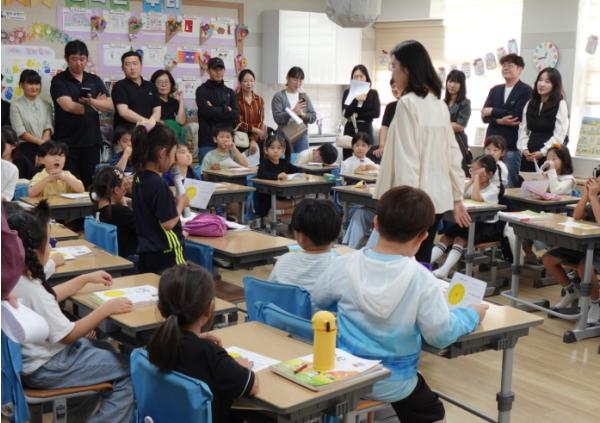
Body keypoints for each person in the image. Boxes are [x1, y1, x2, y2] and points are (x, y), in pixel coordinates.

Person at [313, 186, 488, 423]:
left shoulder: (344, 264)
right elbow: (441, 335)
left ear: (375, 223)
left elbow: (318, 299)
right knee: (432, 412)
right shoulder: (421, 278)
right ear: (423, 236)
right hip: (394, 381)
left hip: (343, 372)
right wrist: (471, 315)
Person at [8, 202, 134, 423]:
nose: (51, 249)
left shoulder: (14, 280)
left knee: (104, 348)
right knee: (131, 371)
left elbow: (48, 298)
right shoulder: (31, 288)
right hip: (49, 366)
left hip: (36, 363)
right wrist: (106, 309)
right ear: (35, 251)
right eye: (49, 243)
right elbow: (68, 335)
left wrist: (83, 279)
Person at [373, 40, 470, 263]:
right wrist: (456, 197)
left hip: (413, 202)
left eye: (394, 66)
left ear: (407, 69)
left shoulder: (407, 103)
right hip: (436, 199)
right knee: (422, 259)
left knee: (403, 261)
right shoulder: (439, 104)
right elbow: (453, 156)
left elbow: (407, 160)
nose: (393, 73)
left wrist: (403, 205)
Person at [147, 263, 259, 423]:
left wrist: (196, 338)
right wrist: (242, 367)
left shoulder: (156, 344)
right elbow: (252, 387)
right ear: (209, 309)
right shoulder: (210, 354)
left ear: (160, 308)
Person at [51, 40, 113, 188]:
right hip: (66, 143)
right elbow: (68, 106)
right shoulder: (59, 80)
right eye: (74, 59)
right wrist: (96, 105)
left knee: (91, 185)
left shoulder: (94, 80)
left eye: (82, 59)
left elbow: (110, 105)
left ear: (87, 59)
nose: (79, 63)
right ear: (66, 59)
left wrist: (91, 102)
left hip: (91, 142)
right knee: (67, 186)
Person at [432, 155, 504, 279]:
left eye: (479, 172)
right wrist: (471, 180)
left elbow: (476, 198)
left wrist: (475, 180)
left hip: (487, 227)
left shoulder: (493, 190)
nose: (475, 174)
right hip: (470, 223)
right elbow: (458, 194)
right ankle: (424, 263)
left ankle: (444, 270)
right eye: (472, 170)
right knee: (446, 237)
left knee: (460, 238)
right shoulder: (472, 184)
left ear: (490, 174)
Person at [541, 176, 600, 323]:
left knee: (584, 268)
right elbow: (577, 215)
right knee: (548, 258)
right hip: (587, 244)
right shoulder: (596, 196)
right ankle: (571, 291)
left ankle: (596, 303)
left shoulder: (596, 197)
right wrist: (586, 195)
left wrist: (593, 196)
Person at [131, 122, 188, 274]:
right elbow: (169, 223)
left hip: (147, 250)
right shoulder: (158, 183)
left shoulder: (139, 178)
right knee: (174, 286)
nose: (174, 161)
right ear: (162, 153)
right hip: (167, 251)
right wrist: (181, 203)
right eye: (173, 155)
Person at [269, 199, 341, 293]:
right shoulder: (340, 266)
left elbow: (269, 291)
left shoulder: (283, 261)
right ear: (337, 231)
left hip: (288, 303)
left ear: (301, 237)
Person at [481, 54, 532, 187]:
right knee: (487, 182)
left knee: (509, 185)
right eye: (503, 65)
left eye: (510, 65)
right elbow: (484, 116)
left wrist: (493, 110)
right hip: (491, 145)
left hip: (511, 146)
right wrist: (499, 121)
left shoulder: (526, 90)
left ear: (520, 69)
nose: (505, 68)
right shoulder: (495, 90)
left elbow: (516, 115)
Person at [517, 67, 569, 172]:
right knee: (525, 181)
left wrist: (543, 152)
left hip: (549, 156)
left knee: (544, 182)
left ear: (555, 85)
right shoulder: (530, 103)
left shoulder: (560, 104)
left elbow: (560, 135)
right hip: (529, 155)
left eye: (547, 82)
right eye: (540, 80)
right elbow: (523, 128)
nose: (541, 84)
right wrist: (524, 149)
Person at [196, 57, 240, 163]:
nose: (218, 72)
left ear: (224, 70)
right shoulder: (201, 90)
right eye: (214, 69)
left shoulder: (230, 92)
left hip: (227, 142)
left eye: (220, 69)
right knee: (207, 172)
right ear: (208, 71)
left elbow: (235, 114)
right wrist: (226, 109)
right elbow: (206, 112)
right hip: (207, 142)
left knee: (229, 172)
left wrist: (213, 109)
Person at [254, 131, 305, 220]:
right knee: (298, 204)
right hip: (267, 200)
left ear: (283, 150)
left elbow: (297, 169)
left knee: (299, 210)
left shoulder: (284, 163)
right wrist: (277, 176)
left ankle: (277, 216)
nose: (275, 151)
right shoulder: (264, 163)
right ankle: (295, 203)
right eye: (272, 148)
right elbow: (261, 174)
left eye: (279, 148)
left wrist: (303, 173)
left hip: (282, 196)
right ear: (266, 150)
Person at [341, 132, 379, 249]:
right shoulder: (347, 162)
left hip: (368, 197)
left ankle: (349, 246)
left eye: (363, 145)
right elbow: (343, 180)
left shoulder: (370, 163)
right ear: (352, 147)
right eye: (357, 145)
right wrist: (355, 171)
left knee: (360, 212)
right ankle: (348, 246)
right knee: (357, 211)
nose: (360, 148)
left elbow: (378, 175)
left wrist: (374, 168)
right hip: (354, 198)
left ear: (369, 147)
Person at [90, 166, 137, 259]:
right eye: (124, 186)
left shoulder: (96, 209)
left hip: (107, 257)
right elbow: (145, 228)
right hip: (128, 259)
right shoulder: (121, 212)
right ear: (116, 190)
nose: (125, 189)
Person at [9, 69, 53, 165]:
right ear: (21, 85)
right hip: (25, 148)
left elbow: (48, 127)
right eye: (30, 83)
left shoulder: (46, 105)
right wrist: (41, 143)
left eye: (37, 83)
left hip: (45, 148)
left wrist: (44, 145)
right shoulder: (15, 105)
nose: (34, 87)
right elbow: (20, 132)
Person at [111, 51, 161, 131]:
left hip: (150, 131)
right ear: (122, 68)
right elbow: (123, 112)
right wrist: (147, 123)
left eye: (135, 63)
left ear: (141, 65)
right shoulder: (119, 86)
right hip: (127, 133)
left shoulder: (151, 86)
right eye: (128, 64)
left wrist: (150, 124)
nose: (132, 68)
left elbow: (157, 111)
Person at [271, 66, 316, 153]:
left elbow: (313, 117)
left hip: (301, 136)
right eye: (295, 80)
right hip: (284, 137)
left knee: (302, 160)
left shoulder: (304, 96)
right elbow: (277, 118)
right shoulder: (279, 96)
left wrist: (302, 114)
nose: (298, 83)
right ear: (288, 78)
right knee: (288, 161)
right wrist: (293, 112)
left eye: (300, 80)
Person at [341, 65, 381, 159]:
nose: (359, 79)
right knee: (348, 160)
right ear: (352, 79)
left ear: (366, 78)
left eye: (361, 76)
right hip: (350, 131)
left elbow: (376, 113)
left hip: (366, 129)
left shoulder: (373, 93)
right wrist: (355, 100)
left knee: (366, 160)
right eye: (356, 76)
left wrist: (357, 115)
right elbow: (345, 113)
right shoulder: (347, 92)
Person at [444, 70, 472, 176]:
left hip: (457, 140)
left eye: (456, 82)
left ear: (462, 85)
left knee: (457, 170)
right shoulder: (442, 102)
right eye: (450, 81)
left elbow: (460, 126)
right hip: (443, 139)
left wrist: (440, 124)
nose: (452, 85)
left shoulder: (465, 103)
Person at [150, 69, 186, 142]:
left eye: (166, 82)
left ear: (171, 84)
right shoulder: (150, 100)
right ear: (153, 85)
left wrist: (181, 101)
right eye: (160, 82)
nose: (163, 85)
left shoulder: (174, 102)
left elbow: (181, 122)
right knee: (170, 123)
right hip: (158, 134)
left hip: (174, 134)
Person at [236, 69, 265, 155]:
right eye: (245, 81)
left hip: (257, 139)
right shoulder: (235, 99)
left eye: (252, 81)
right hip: (240, 139)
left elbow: (261, 121)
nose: (249, 84)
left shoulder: (259, 100)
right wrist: (254, 129)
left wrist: (253, 139)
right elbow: (238, 123)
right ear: (240, 83)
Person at [373, 78, 401, 161]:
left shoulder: (411, 105)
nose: (395, 89)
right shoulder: (390, 106)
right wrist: (382, 146)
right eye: (393, 87)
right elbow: (384, 127)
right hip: (391, 145)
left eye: (397, 86)